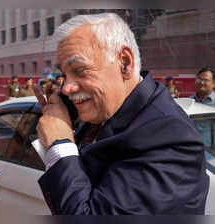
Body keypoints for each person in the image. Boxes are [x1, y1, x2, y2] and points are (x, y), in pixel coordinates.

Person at [32, 13, 209, 215]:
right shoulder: (106, 112)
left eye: (80, 70)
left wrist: (60, 144)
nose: (66, 88)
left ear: (124, 63)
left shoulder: (170, 136)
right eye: (64, 75)